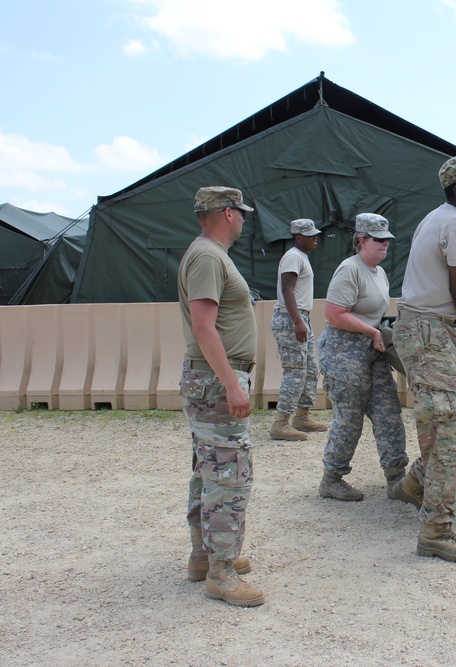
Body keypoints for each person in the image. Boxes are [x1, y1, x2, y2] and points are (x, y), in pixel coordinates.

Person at [388, 154, 456, 563]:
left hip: (438, 329)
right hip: (428, 330)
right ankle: (436, 528)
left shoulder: (445, 219)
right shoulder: (454, 223)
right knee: (450, 428)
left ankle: (416, 483)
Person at [178, 186, 263, 607]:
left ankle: (204, 555)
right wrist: (231, 383)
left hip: (210, 379)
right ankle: (221, 570)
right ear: (228, 213)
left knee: (208, 469)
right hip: (216, 382)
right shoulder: (209, 256)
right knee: (229, 474)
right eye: (241, 212)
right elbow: (203, 326)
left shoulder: (208, 255)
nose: (244, 219)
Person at [316, 213, 409, 501]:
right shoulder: (350, 269)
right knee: (349, 418)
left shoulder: (378, 272)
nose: (385, 245)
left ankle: (397, 479)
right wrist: (371, 331)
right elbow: (333, 314)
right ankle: (331, 479)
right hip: (344, 351)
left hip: (372, 349)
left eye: (387, 240)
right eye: (379, 240)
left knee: (388, 412)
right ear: (361, 240)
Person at [269, 218, 330, 441]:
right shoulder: (293, 257)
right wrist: (296, 321)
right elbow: (287, 290)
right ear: (298, 236)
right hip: (290, 319)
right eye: (310, 234)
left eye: (315, 233)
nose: (316, 238)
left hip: (301, 318)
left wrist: (301, 320)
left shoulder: (301, 256)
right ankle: (281, 423)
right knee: (295, 371)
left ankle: (302, 417)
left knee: (310, 369)